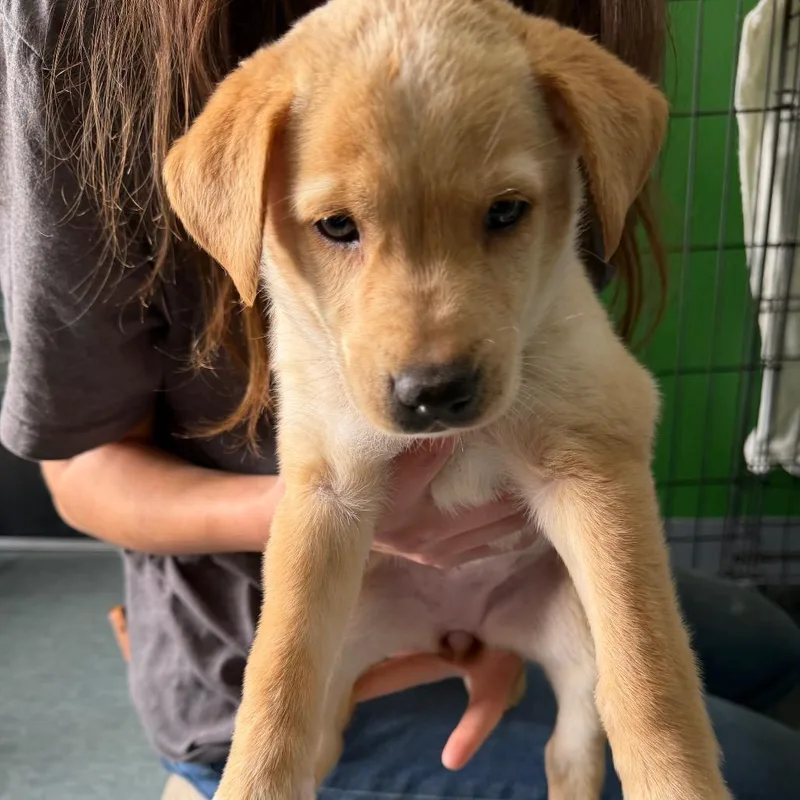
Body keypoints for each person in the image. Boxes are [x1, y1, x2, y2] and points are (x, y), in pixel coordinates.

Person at [1, 1, 799, 798]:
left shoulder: (537, 63)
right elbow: (86, 473)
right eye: (339, 227)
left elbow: (595, 451)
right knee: (774, 772)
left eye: (504, 213)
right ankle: (215, 772)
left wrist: (648, 727)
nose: (430, 354)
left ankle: (570, 741)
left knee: (770, 647)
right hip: (261, 616)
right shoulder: (79, 33)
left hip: (522, 567)